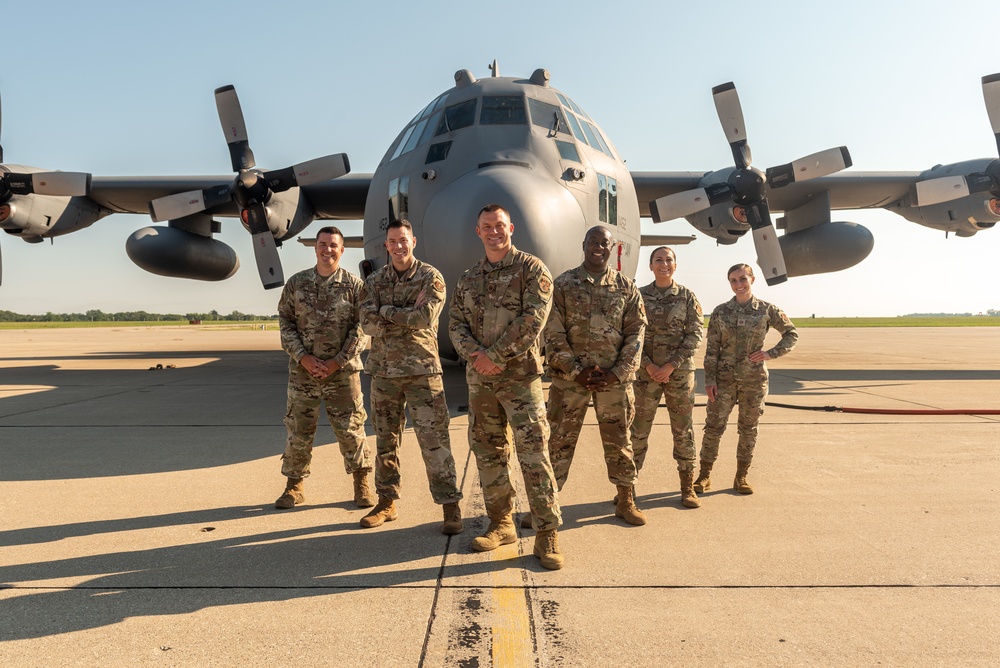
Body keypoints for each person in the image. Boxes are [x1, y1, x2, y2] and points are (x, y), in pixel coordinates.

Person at [449, 204, 564, 570]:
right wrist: (477, 357)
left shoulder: (532, 270)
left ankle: (547, 533)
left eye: (499, 225)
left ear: (511, 227)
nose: (494, 231)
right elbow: (455, 324)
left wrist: (495, 355)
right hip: (481, 383)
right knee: (488, 453)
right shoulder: (469, 278)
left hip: (520, 379)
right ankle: (501, 523)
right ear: (478, 232)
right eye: (487, 227)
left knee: (534, 457)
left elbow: (535, 318)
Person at [358, 219, 463, 534]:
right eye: (393, 241)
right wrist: (399, 313)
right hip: (383, 374)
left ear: (413, 241)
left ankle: (450, 506)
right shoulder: (374, 281)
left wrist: (386, 311)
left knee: (435, 443)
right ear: (386, 245)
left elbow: (424, 317)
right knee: (386, 442)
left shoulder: (431, 277)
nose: (398, 246)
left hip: (422, 373)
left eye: (403, 240)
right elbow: (366, 323)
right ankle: (386, 503)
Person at [544, 225, 648, 526]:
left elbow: (636, 333)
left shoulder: (626, 288)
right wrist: (576, 371)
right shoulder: (563, 285)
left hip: (613, 382)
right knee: (559, 442)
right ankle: (547, 503)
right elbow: (552, 332)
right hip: (570, 382)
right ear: (584, 244)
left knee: (620, 442)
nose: (598, 247)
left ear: (612, 247)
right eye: (593, 242)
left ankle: (626, 500)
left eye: (604, 243)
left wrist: (618, 373)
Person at [274, 226, 374, 510]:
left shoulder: (355, 286)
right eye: (322, 244)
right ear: (315, 248)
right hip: (303, 373)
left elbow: (362, 327)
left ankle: (361, 483)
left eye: (333, 245)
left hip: (342, 374)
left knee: (351, 428)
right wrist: (303, 357)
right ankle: (294, 486)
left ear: (342, 250)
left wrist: (337, 361)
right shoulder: (297, 284)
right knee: (298, 430)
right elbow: (285, 323)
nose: (327, 249)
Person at [696, 263, 798, 496]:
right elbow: (712, 349)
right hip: (723, 381)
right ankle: (704, 475)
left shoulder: (766, 310)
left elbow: (791, 334)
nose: (738, 284)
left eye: (742, 279)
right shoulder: (721, 312)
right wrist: (709, 380)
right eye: (733, 280)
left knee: (748, 429)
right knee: (713, 428)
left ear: (752, 280)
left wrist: (770, 353)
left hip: (753, 380)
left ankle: (741, 476)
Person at [629, 247, 704, 508]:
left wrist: (671, 365)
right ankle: (627, 490)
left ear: (675, 265)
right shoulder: (638, 296)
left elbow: (695, 335)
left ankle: (687, 488)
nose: (664, 264)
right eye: (658, 260)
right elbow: (630, 334)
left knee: (683, 430)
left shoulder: (686, 297)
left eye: (668, 260)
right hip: (645, 374)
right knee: (637, 431)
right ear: (650, 266)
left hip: (679, 374)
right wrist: (649, 366)